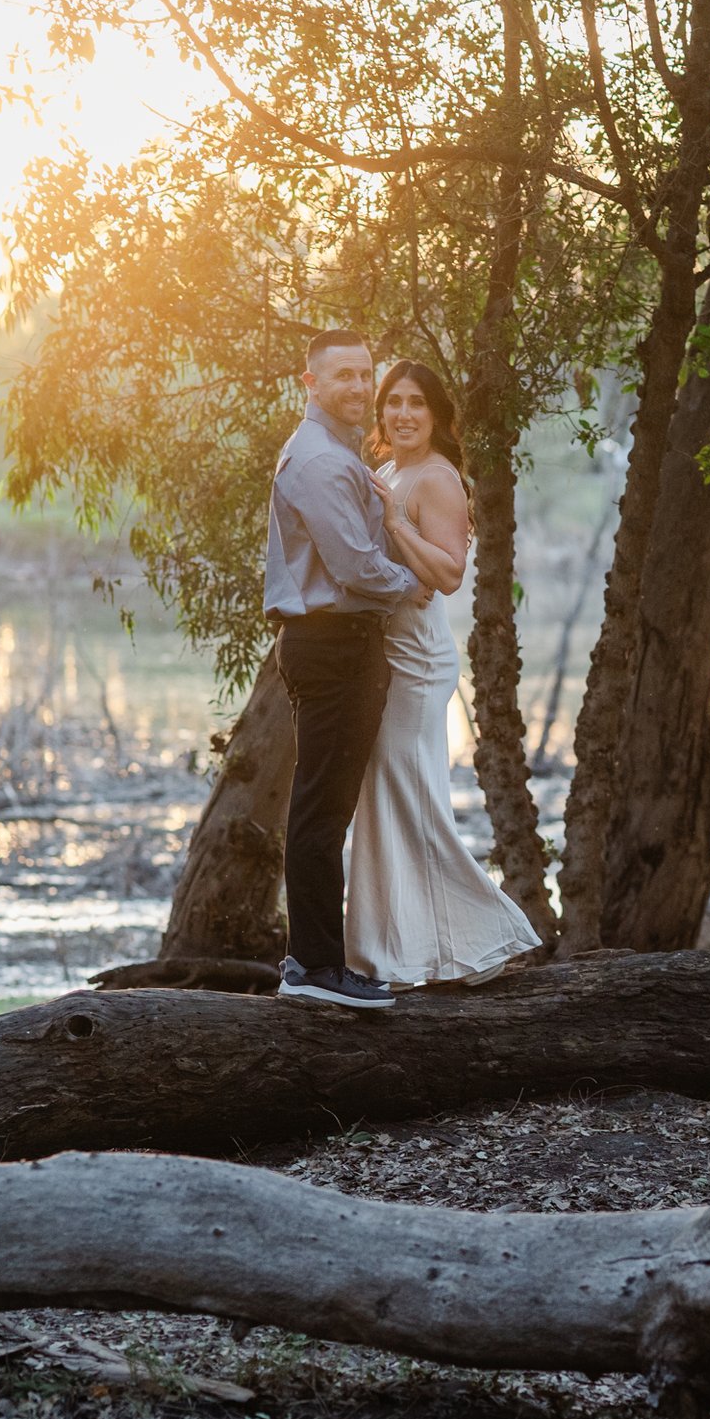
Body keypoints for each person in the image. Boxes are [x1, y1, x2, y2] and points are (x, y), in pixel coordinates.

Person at [347, 360, 541, 986]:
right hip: (387, 653)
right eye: (393, 403)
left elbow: (450, 575)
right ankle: (397, 955)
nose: (402, 414)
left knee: (409, 794)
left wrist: (398, 526)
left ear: (435, 415)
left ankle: (490, 937)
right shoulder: (386, 472)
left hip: (420, 661)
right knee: (385, 795)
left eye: (415, 404)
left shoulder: (436, 479)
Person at [265, 330, 426, 1009]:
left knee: (323, 804)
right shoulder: (321, 463)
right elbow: (357, 566)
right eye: (344, 377)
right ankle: (315, 967)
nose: (359, 388)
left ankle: (315, 962)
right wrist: (414, 586)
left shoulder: (334, 453)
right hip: (331, 644)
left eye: (366, 375)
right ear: (311, 382)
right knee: (321, 809)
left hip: (339, 643)